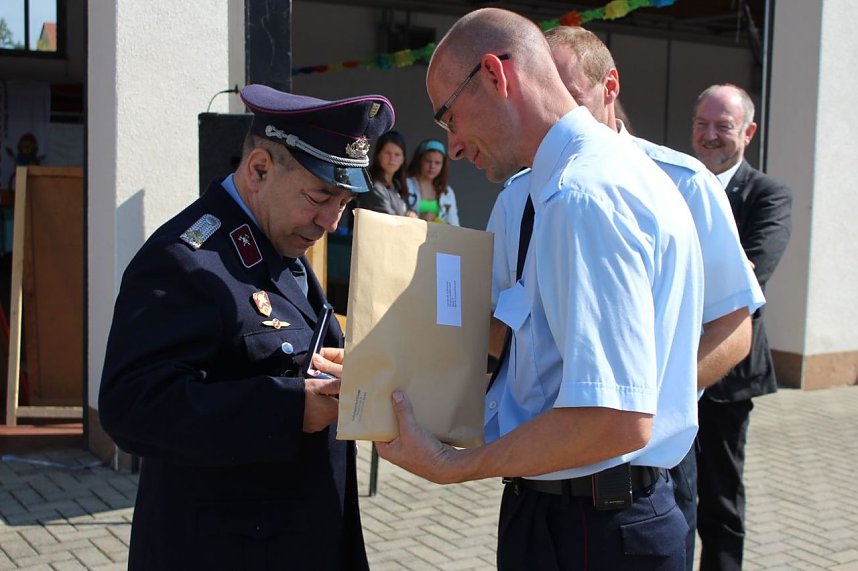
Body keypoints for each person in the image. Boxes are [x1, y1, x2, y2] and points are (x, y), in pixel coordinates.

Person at [318, 8, 703, 569]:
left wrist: (449, 465)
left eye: (449, 117)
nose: (451, 147)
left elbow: (615, 417)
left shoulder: (582, 197)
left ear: (497, 76)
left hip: (594, 531)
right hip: (576, 514)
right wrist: (382, 370)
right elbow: (526, 355)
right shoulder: (579, 183)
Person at [485, 25, 765, 569]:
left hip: (641, 476)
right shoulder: (518, 198)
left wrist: (635, 407)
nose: (556, 111)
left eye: (572, 94)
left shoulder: (683, 183)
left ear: (609, 85)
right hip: (534, 490)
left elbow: (734, 329)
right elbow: (495, 330)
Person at [98, 84, 394, 570]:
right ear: (259, 169)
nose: (331, 221)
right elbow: (132, 405)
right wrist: (291, 407)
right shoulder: (185, 259)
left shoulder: (276, 242)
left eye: (343, 201)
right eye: (320, 196)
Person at [691, 83, 792, 571]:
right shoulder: (673, 186)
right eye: (702, 124)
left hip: (727, 380)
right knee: (664, 496)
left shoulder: (769, 196)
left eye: (723, 127)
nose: (710, 136)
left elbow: (750, 280)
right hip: (669, 369)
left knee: (719, 500)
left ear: (748, 133)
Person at [358, 130, 416, 217]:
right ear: (378, 155)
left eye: (397, 154)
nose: (392, 159)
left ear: (403, 159)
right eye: (387, 153)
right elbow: (389, 221)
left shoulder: (398, 186)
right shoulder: (373, 187)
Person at [405, 139, 460, 225]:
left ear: (443, 165)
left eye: (437, 163)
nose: (432, 166)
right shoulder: (405, 184)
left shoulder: (447, 192)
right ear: (419, 160)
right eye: (428, 161)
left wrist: (436, 220)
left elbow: (455, 226)